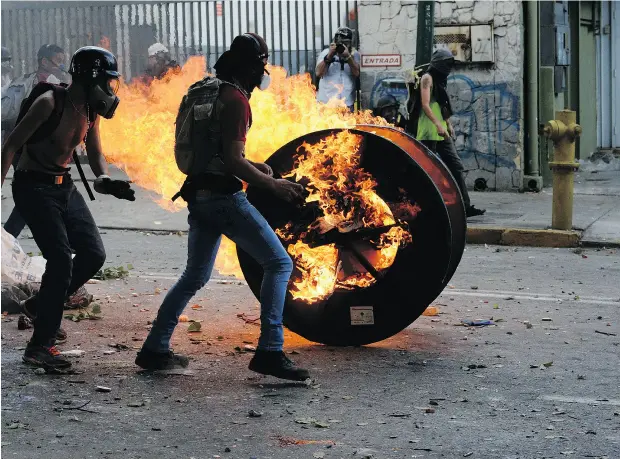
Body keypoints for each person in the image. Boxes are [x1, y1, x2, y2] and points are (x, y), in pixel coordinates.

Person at [135, 33, 311, 382]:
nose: (263, 74)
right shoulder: (236, 99)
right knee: (278, 263)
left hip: (199, 197)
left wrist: (254, 166)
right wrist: (273, 184)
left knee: (194, 277)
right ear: (252, 66)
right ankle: (270, 351)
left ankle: (154, 347)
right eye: (261, 65)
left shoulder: (208, 91)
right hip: (223, 200)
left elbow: (216, 154)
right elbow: (232, 161)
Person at [0, 46, 136, 370]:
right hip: (33, 187)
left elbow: (95, 153)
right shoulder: (49, 103)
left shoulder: (91, 110)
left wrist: (105, 180)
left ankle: (40, 305)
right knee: (60, 260)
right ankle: (39, 346)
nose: (110, 91)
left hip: (64, 186)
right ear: (89, 78)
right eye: (107, 82)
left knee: (93, 254)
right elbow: (11, 144)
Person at [2, 44, 72, 238]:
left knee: (37, 197)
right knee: (33, 198)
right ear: (44, 62)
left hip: (41, 152)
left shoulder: (59, 85)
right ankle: (7, 240)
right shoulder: (24, 85)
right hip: (21, 149)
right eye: (58, 61)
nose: (61, 66)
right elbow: (7, 114)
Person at [407, 49, 485, 218]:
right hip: (428, 131)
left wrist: (447, 123)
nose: (449, 68)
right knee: (424, 169)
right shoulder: (427, 78)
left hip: (441, 130)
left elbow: (441, 105)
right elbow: (425, 104)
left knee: (455, 166)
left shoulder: (441, 81)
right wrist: (437, 124)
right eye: (447, 64)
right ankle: (418, 206)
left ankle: (465, 206)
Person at [315, 27, 360, 111]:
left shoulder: (354, 54)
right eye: (340, 43)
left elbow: (356, 73)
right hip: (326, 103)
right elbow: (318, 73)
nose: (343, 45)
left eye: (346, 43)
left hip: (346, 103)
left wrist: (348, 57)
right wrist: (329, 56)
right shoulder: (326, 53)